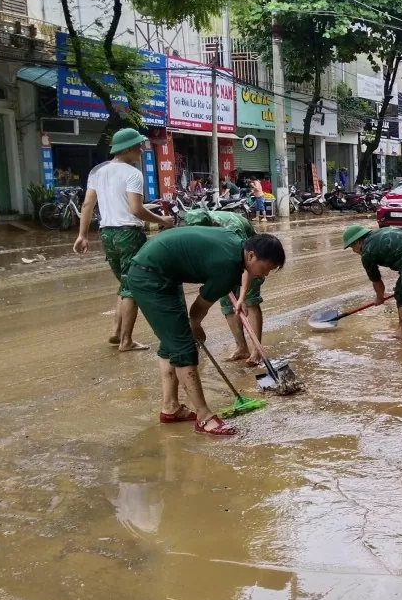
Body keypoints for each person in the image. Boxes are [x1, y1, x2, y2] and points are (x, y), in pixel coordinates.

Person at [125, 229, 286, 436]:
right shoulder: (227, 267)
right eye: (265, 268)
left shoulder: (237, 244)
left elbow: (241, 273)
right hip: (150, 277)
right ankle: (204, 418)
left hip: (162, 272)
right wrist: (196, 326)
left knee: (171, 343)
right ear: (252, 256)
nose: (265, 274)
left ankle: (170, 408)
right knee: (184, 348)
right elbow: (199, 308)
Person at [74, 127, 173, 351]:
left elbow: (87, 204)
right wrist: (162, 221)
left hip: (107, 234)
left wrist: (82, 235)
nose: (141, 149)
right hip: (129, 234)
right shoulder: (133, 174)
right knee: (133, 288)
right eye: (138, 145)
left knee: (125, 283)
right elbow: (136, 210)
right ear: (127, 148)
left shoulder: (97, 170)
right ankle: (126, 341)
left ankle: (117, 332)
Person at [183, 209, 266, 364]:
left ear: (213, 224)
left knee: (250, 301)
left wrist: (241, 296)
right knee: (227, 304)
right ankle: (241, 348)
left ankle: (257, 351)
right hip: (225, 258)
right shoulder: (199, 233)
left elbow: (248, 263)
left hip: (253, 258)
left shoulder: (232, 229)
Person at [343, 225, 402, 349]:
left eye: (352, 247)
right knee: (400, 292)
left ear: (358, 241)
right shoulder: (380, 233)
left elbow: (377, 281)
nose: (354, 251)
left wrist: (379, 297)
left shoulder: (367, 252)